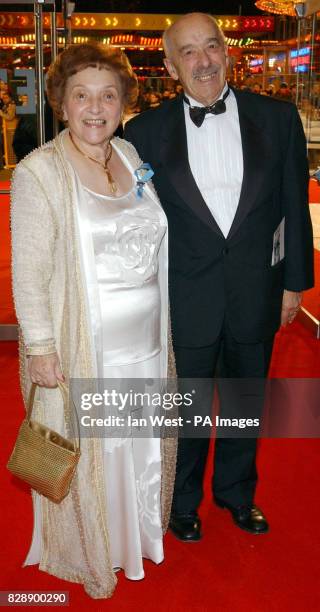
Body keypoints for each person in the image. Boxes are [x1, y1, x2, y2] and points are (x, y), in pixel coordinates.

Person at [124, 13, 314, 541]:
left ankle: (236, 494)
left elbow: (293, 207)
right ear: (169, 65)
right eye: (189, 51)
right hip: (184, 297)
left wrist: (294, 284)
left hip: (257, 291)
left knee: (242, 402)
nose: (203, 60)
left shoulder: (278, 119)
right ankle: (181, 503)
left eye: (211, 46)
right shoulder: (142, 133)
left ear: (226, 53)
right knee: (184, 408)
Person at [11, 42, 176, 599]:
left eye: (108, 95)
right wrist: (38, 346)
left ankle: (134, 536)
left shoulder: (129, 155)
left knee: (138, 444)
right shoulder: (41, 171)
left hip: (147, 343)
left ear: (124, 102)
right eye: (82, 95)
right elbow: (28, 272)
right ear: (61, 103)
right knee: (94, 449)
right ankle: (89, 549)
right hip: (90, 345)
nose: (96, 107)